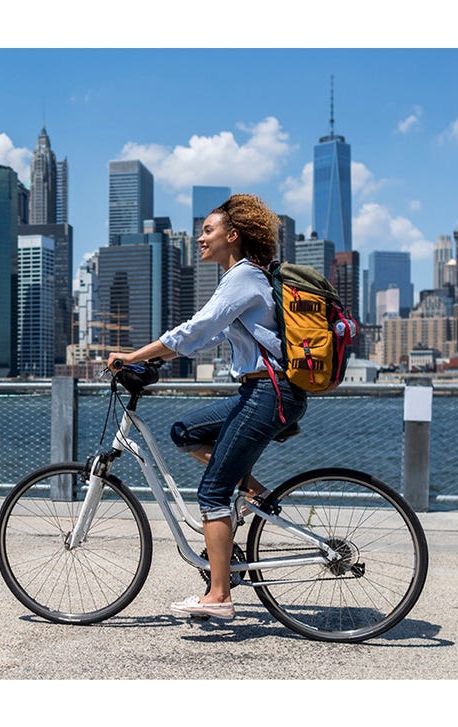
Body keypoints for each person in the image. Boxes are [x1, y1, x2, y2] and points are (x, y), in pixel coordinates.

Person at [106, 193, 307, 620]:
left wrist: (134, 356)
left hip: (269, 392)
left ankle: (219, 597)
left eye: (208, 231)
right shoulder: (241, 277)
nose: (200, 238)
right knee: (185, 431)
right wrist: (156, 359)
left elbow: (197, 328)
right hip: (261, 391)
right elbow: (208, 337)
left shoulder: (243, 276)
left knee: (212, 491)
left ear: (232, 236)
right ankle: (252, 490)